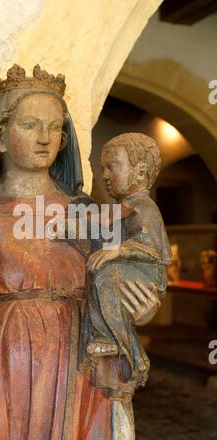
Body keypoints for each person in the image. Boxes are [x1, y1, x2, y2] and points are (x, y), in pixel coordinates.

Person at [0, 66, 161, 440]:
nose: (44, 138)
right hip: (6, 357)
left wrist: (142, 306)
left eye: (55, 128)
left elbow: (121, 281)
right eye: (31, 125)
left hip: (77, 361)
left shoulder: (85, 211)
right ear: (0, 137)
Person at [85, 133, 172, 391]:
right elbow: (99, 226)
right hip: (127, 269)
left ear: (140, 171)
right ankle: (117, 343)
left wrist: (117, 252)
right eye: (102, 168)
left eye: (112, 166)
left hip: (145, 273)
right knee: (100, 275)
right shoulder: (127, 205)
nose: (105, 175)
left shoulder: (143, 206)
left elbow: (153, 249)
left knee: (104, 276)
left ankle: (129, 352)